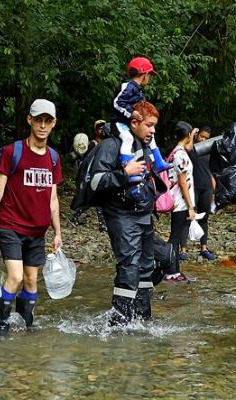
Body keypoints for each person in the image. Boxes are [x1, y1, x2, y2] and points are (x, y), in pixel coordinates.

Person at [0, 99, 62, 335]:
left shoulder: (53, 157)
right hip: (9, 225)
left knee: (31, 280)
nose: (43, 125)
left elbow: (53, 199)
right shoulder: (14, 152)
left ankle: (25, 325)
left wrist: (58, 233)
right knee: (15, 276)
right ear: (29, 120)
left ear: (53, 124)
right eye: (39, 120)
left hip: (37, 231)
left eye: (48, 121)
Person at [90, 100, 159, 325]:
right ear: (134, 122)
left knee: (147, 266)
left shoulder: (145, 145)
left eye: (154, 126)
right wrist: (124, 173)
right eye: (149, 125)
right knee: (129, 266)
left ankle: (143, 319)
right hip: (120, 215)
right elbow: (95, 181)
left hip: (144, 214)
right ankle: (119, 324)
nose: (153, 130)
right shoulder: (110, 145)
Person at [111, 57, 171, 184]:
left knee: (151, 135)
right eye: (149, 75)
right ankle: (128, 167)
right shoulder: (128, 86)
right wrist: (131, 113)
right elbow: (117, 103)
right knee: (128, 139)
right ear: (144, 75)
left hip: (131, 123)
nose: (149, 79)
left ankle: (159, 161)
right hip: (119, 123)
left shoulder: (139, 91)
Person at [165, 121, 196, 282]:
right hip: (180, 202)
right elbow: (183, 182)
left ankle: (175, 270)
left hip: (180, 201)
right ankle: (171, 271)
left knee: (176, 236)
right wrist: (191, 206)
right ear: (188, 135)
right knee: (175, 237)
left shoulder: (178, 152)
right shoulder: (180, 155)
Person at [190, 126, 217, 261]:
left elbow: (211, 172)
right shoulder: (191, 149)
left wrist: (213, 192)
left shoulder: (208, 152)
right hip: (193, 187)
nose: (203, 139)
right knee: (188, 217)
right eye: (201, 136)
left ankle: (204, 248)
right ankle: (182, 250)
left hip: (207, 187)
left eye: (206, 138)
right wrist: (193, 134)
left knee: (204, 218)